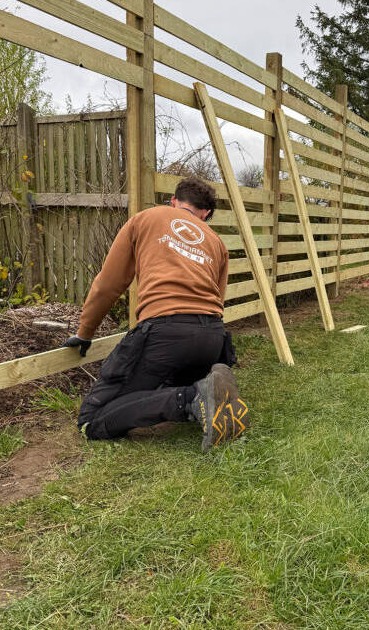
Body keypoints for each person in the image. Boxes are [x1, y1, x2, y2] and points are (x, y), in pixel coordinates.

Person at [64, 177, 249, 451]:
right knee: (164, 379)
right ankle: (205, 390)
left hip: (166, 333)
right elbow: (217, 301)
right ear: (206, 213)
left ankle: (191, 398)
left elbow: (108, 285)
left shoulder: (145, 219)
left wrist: (85, 332)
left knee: (92, 421)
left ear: (174, 201)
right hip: (211, 338)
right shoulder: (216, 242)